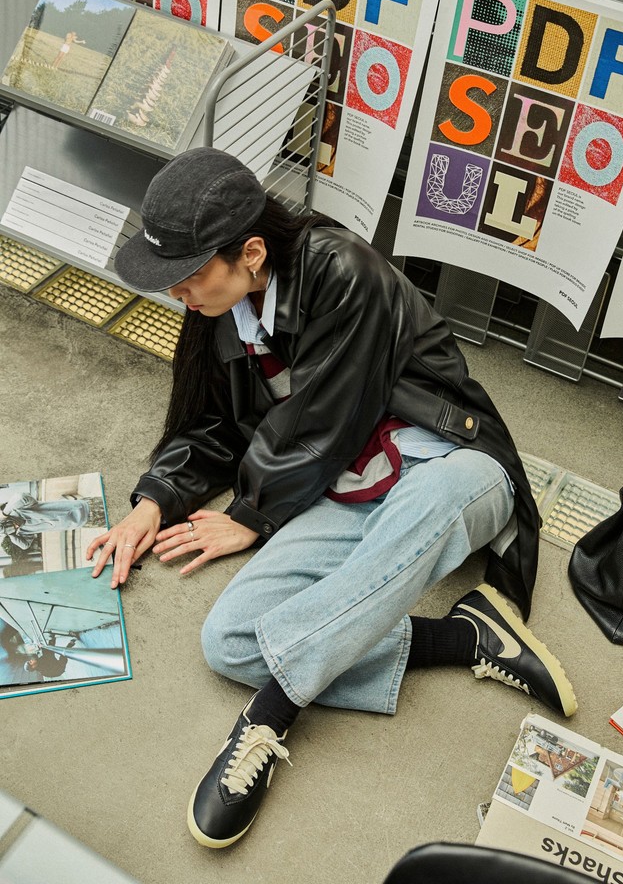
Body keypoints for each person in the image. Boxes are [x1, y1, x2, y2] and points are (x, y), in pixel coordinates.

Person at [88, 148, 577, 850]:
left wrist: (250, 516)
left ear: (251, 253)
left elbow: (323, 419)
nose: (178, 293)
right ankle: (469, 637)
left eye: (188, 274)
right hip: (346, 486)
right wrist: (155, 500)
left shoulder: (345, 269)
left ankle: (268, 718)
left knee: (419, 512)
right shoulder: (220, 306)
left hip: (453, 466)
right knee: (228, 640)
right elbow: (214, 425)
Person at [1, 492, 91, 550]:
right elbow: (25, 545)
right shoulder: (24, 531)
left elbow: (21, 497)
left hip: (85, 507)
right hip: (83, 523)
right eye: (14, 528)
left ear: (7, 518)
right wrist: (11, 534)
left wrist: (4, 513)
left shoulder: (22, 508)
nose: (17, 526)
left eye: (13, 523)